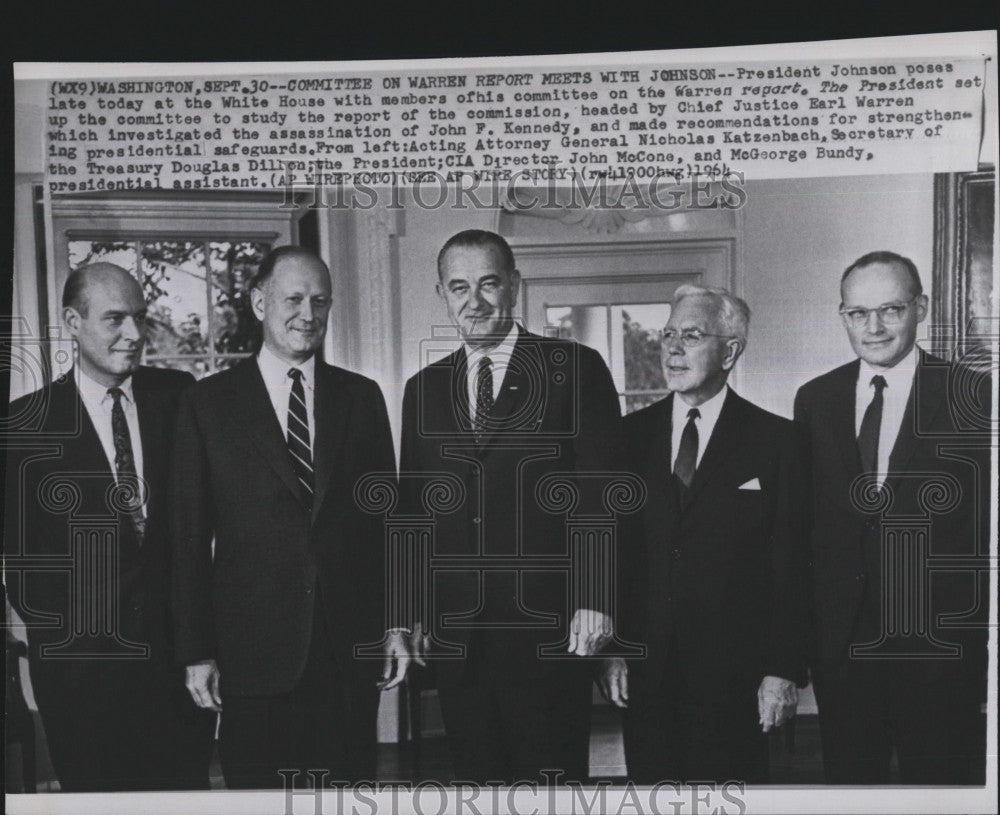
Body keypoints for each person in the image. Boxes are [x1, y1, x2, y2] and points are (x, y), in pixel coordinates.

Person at [170, 246, 407, 789]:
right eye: (294, 299)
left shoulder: (362, 397)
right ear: (259, 302)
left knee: (346, 794)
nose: (309, 313)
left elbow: (388, 524)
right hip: (250, 656)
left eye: (320, 301)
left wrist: (396, 621)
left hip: (347, 650)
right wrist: (196, 651)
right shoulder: (207, 405)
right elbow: (186, 539)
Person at [399, 229, 624, 783]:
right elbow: (413, 510)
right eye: (458, 288)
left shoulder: (574, 368)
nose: (473, 302)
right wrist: (414, 610)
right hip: (458, 638)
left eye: (488, 283)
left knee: (550, 783)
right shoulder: (423, 388)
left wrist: (596, 599)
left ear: (515, 286)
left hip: (548, 631)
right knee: (478, 785)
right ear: (442, 294)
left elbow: (603, 494)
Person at [3, 263, 215, 791]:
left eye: (140, 318)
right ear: (72, 322)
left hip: (179, 678)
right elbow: (24, 566)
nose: (135, 335)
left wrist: (196, 647)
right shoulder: (23, 426)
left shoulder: (178, 397)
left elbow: (196, 528)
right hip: (83, 685)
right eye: (115, 319)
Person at [601, 284, 811, 784]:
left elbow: (793, 563)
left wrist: (782, 670)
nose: (672, 348)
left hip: (736, 679)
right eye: (668, 334)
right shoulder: (629, 438)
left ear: (730, 350)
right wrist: (612, 649)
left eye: (691, 335)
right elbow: (615, 553)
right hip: (646, 673)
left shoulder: (778, 442)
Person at [794, 251, 990, 784]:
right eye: (858, 313)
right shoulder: (816, 399)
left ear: (921, 308)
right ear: (843, 315)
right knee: (852, 784)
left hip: (939, 647)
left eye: (890, 310)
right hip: (843, 643)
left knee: (940, 784)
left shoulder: (975, 396)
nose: (873, 327)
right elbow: (807, 525)